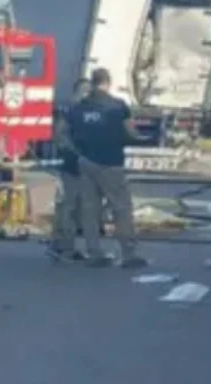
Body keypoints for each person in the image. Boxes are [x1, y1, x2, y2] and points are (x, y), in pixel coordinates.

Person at [66, 68, 147, 269]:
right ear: (108, 83)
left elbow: (65, 133)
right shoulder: (118, 106)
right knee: (121, 208)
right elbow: (131, 132)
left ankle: (94, 252)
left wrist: (78, 151)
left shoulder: (79, 107)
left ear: (92, 83)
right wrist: (141, 138)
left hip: (86, 162)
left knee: (90, 210)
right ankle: (128, 254)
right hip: (111, 163)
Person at [48, 77, 93, 262]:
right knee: (70, 205)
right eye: (83, 91)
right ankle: (63, 247)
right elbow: (59, 135)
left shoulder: (84, 111)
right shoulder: (70, 111)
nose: (86, 94)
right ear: (76, 92)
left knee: (76, 206)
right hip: (72, 164)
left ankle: (65, 245)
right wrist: (75, 152)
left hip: (83, 165)